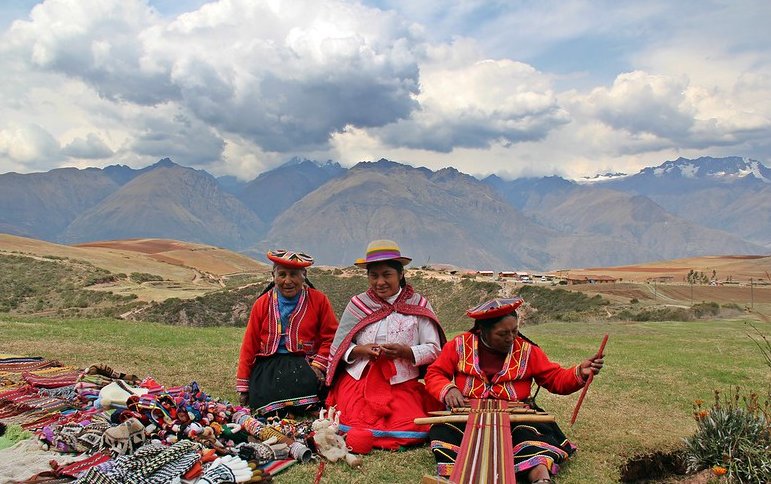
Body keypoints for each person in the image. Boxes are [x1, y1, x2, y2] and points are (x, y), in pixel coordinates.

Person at [424, 297, 605, 484]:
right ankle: (451, 477)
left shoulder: (528, 351)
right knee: (444, 431)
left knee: (528, 435)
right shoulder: (460, 345)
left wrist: (580, 373)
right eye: (502, 334)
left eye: (514, 331)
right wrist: (449, 389)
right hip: (468, 414)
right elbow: (435, 373)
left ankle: (541, 479)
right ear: (483, 331)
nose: (511, 338)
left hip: (515, 416)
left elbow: (555, 379)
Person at [325, 240, 446, 452]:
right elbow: (340, 345)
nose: (380, 282)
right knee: (353, 423)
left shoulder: (418, 305)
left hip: (402, 382)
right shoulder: (358, 305)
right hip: (360, 380)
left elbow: (434, 348)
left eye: (387, 274)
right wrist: (361, 350)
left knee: (409, 425)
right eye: (374, 276)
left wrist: (406, 352)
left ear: (400, 274)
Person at [236, 249, 339, 416]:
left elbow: (332, 337)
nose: (288, 281)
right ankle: (290, 408)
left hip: (305, 363)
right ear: (273, 276)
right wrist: (244, 385)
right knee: (264, 389)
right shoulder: (262, 304)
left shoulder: (319, 300)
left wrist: (318, 366)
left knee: (308, 381)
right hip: (269, 364)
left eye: (294, 274)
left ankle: (295, 407)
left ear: (303, 275)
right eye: (282, 274)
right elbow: (250, 344)